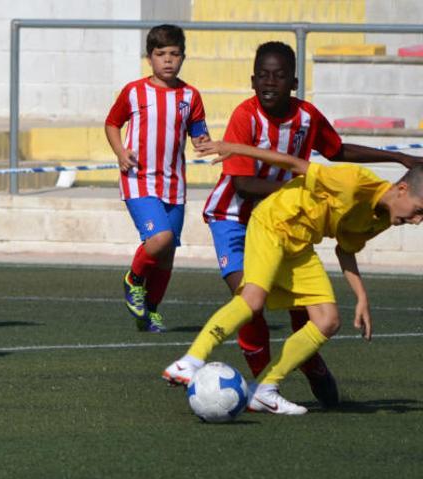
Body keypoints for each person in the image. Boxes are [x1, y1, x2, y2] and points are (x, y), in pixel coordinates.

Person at [202, 41, 423, 407]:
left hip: (284, 222)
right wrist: (304, 191)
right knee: (250, 301)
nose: (270, 83)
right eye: (264, 76)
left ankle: (309, 362)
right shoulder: (245, 116)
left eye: (280, 76)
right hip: (233, 218)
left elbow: (336, 150)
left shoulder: (306, 117)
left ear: (294, 81)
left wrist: (395, 155)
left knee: (300, 307)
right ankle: (262, 384)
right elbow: (243, 184)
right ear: (253, 80)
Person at [163, 140, 423, 415]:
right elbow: (294, 164)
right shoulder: (353, 181)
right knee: (252, 300)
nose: (418, 221)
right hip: (273, 222)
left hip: (301, 244)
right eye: (418, 210)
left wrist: (361, 296)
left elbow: (345, 249)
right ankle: (191, 361)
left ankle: (264, 389)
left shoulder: (381, 219)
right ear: (402, 189)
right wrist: (233, 148)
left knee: (328, 320)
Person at [104, 24, 210, 333]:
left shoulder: (190, 96)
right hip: (139, 179)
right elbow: (112, 123)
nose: (167, 60)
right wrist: (120, 151)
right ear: (149, 58)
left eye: (174, 54)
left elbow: (198, 133)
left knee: (167, 254)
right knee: (159, 239)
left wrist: (211, 145)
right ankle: (133, 279)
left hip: (174, 184)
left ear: (183, 57)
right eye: (160, 53)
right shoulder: (135, 91)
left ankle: (149, 312)